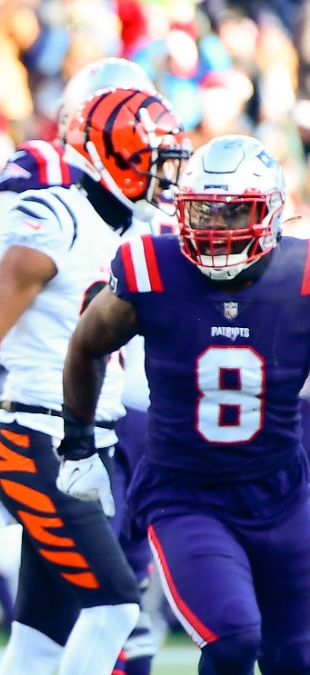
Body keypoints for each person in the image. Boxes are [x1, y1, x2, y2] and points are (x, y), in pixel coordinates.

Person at [0, 86, 190, 675]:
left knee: (41, 637)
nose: (168, 179)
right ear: (121, 155)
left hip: (92, 440)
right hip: (37, 439)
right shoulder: (57, 218)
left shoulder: (135, 233)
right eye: (158, 162)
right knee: (114, 609)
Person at [62, 134, 310, 674]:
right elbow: (86, 345)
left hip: (282, 494)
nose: (216, 229)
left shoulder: (303, 274)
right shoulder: (153, 268)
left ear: (268, 213)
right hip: (185, 496)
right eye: (203, 212)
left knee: (298, 657)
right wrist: (78, 442)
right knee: (234, 639)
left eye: (233, 213)